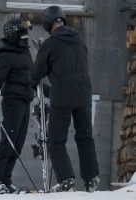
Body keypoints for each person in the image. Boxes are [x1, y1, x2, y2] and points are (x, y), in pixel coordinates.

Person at [28, 6, 100, 193]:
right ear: (62, 20)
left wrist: (33, 79)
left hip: (62, 96)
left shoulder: (51, 44)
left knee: (56, 140)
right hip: (84, 93)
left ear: (48, 23)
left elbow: (37, 73)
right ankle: (91, 179)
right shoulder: (80, 41)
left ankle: (66, 180)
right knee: (85, 137)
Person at [0, 18, 34, 194]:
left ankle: (5, 179)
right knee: (8, 143)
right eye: (22, 32)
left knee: (17, 145)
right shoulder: (7, 53)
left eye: (26, 32)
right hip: (13, 101)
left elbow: (32, 77)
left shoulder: (25, 52)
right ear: (12, 34)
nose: (26, 36)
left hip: (26, 99)